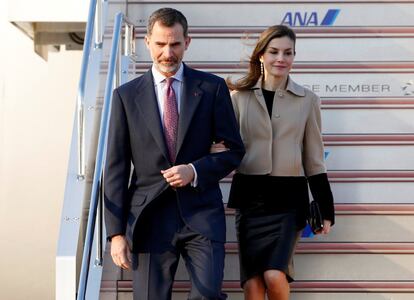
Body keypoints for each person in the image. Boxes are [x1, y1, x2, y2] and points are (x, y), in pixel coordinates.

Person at [103, 7, 245, 300]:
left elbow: (234, 151)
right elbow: (115, 167)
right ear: (147, 42)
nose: (168, 53)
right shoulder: (125, 96)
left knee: (207, 296)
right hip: (148, 218)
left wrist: (194, 170)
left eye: (175, 44)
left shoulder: (212, 88)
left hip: (202, 214)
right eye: (160, 44)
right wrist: (116, 234)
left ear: (187, 42)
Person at [213, 25, 335, 300]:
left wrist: (325, 207)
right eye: (274, 52)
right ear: (261, 56)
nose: (281, 58)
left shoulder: (308, 100)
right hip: (250, 200)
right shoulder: (238, 98)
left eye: (288, 53)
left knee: (274, 275)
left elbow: (314, 158)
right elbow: (221, 145)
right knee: (252, 285)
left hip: (288, 202)